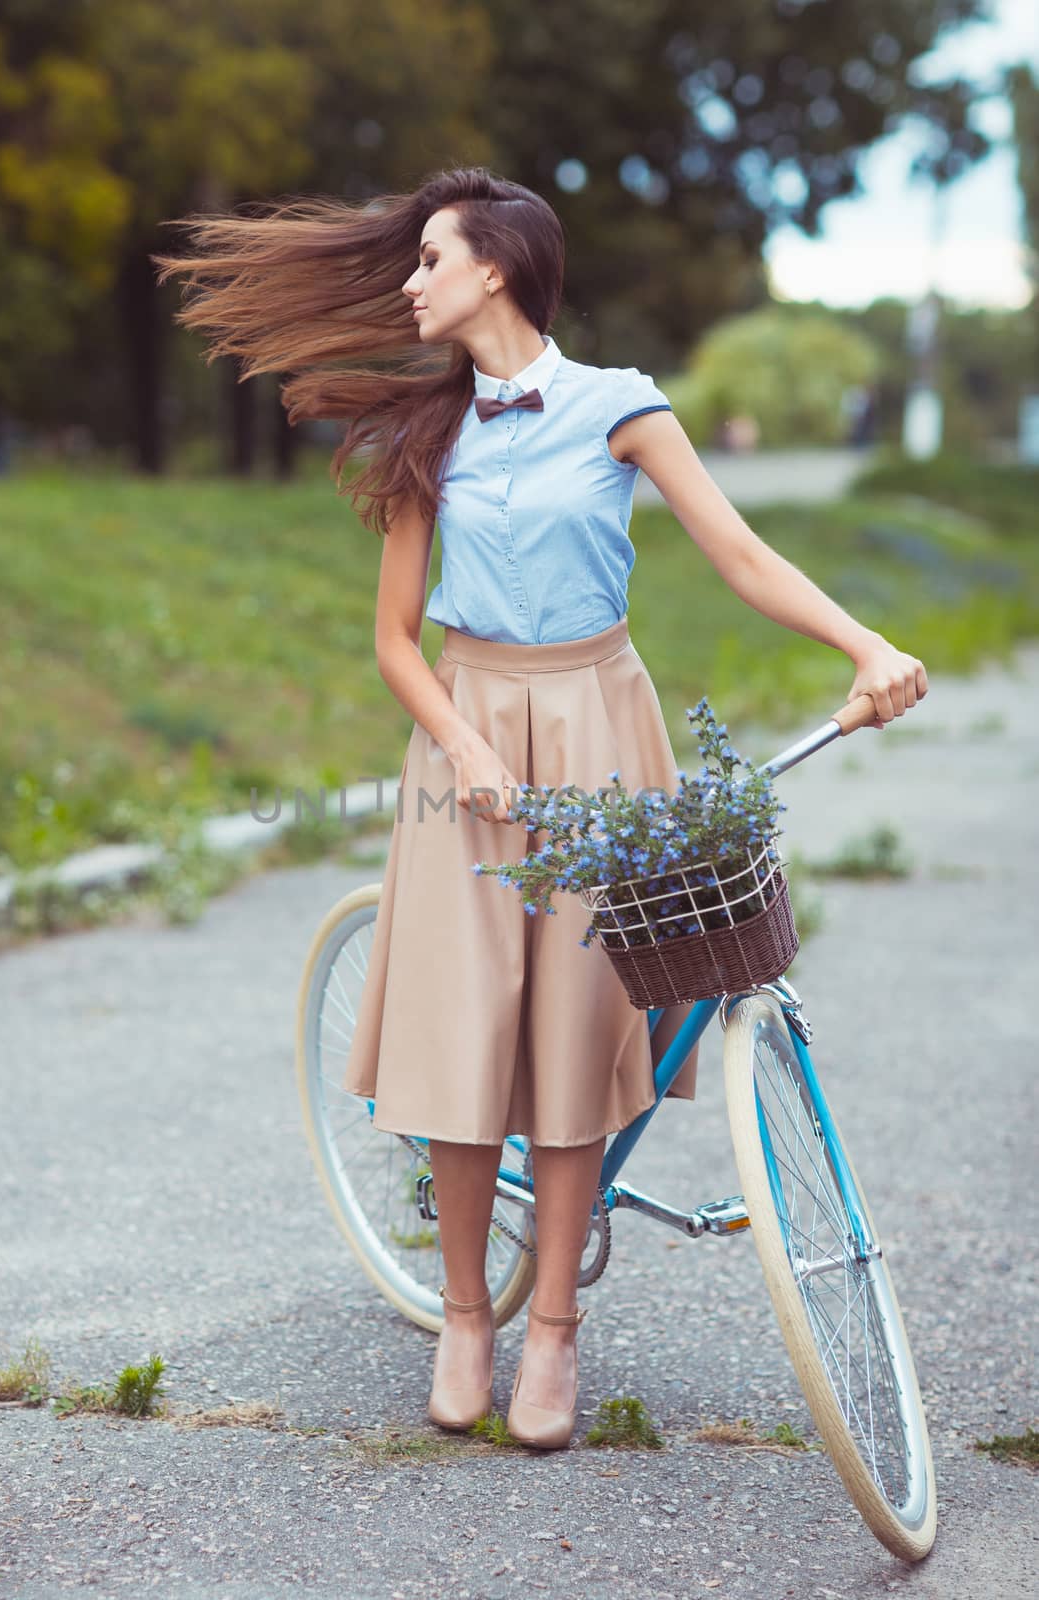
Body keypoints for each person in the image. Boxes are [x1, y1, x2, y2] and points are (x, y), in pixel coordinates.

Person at [153, 165, 927, 1452]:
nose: (410, 281)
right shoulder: (424, 434)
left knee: (576, 1038)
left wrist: (867, 645)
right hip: (468, 735)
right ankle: (468, 1316)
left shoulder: (621, 408)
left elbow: (738, 553)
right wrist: (459, 740)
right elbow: (397, 639)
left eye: (430, 260)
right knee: (464, 1035)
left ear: (495, 269)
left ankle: (555, 1326)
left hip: (601, 729)